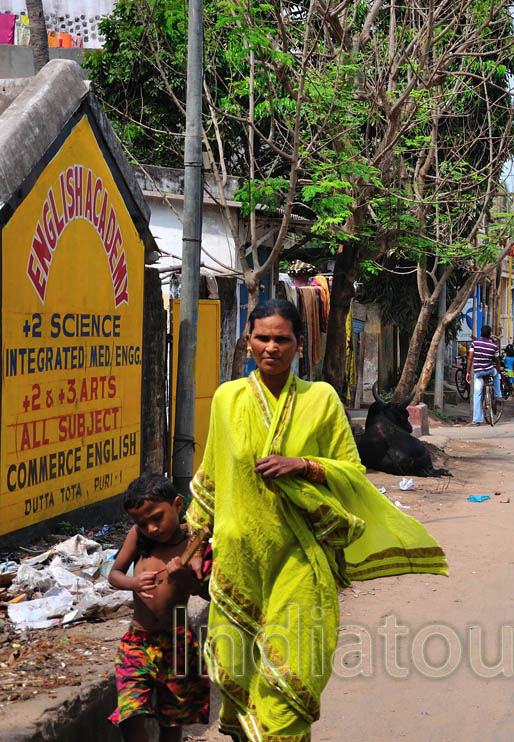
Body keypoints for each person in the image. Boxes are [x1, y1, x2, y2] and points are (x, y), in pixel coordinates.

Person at [185, 298, 446, 740]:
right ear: (248, 341)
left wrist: (303, 466)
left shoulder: (321, 399)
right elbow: (211, 474)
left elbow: (352, 471)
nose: (272, 347)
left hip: (300, 559)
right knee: (235, 671)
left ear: (298, 345)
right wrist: (193, 546)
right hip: (238, 558)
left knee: (292, 676)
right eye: (262, 337)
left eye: (282, 339)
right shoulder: (227, 399)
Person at [107, 476, 211, 742]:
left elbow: (206, 593)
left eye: (156, 518)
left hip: (177, 644)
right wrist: (133, 582)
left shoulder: (194, 543)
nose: (151, 528)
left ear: (177, 505)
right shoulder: (138, 537)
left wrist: (183, 577)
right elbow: (114, 573)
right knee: (130, 712)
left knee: (172, 719)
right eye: (142, 523)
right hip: (137, 640)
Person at [468, 324, 503, 425]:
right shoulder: (493, 346)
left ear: (481, 333)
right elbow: (497, 360)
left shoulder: (474, 344)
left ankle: (477, 419)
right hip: (489, 370)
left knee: (477, 394)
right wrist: (499, 369)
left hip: (478, 372)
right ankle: (498, 395)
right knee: (496, 374)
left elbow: (470, 358)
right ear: (490, 334)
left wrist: (467, 372)